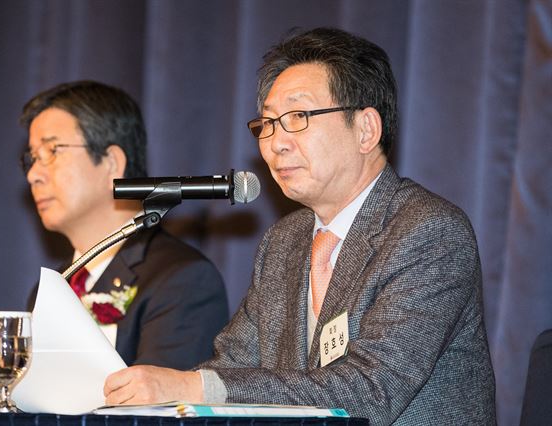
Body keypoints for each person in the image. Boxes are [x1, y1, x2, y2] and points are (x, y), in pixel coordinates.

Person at [102, 28, 497, 424]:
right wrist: (174, 393)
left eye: (297, 117)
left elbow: (371, 390)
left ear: (365, 130)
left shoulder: (429, 232)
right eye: (268, 123)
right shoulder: (283, 241)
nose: (276, 143)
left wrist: (194, 387)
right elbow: (233, 367)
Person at [20, 80, 229, 370]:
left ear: (111, 162)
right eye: (32, 159)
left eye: (52, 151)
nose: (33, 175)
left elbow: (159, 408)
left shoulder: (181, 280)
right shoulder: (53, 287)